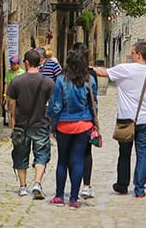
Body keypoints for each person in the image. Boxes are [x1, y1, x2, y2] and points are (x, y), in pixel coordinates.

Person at [91, 41, 146, 198]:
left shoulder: (125, 69)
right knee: (142, 154)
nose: (130, 55)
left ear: (139, 54)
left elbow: (102, 72)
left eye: (133, 52)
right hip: (145, 120)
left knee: (124, 153)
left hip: (125, 119)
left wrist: (86, 68)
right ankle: (140, 189)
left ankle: (122, 185)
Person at [46, 47, 96, 209]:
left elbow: (56, 105)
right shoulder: (89, 81)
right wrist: (94, 124)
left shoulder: (61, 81)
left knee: (62, 161)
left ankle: (59, 196)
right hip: (83, 124)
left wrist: (52, 125)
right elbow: (94, 104)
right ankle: (74, 198)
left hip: (64, 125)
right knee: (78, 160)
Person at [7, 48, 55, 199]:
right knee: (41, 154)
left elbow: (12, 103)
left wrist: (13, 119)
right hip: (41, 123)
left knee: (21, 154)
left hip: (22, 124)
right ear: (40, 62)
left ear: (26, 63)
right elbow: (53, 104)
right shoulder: (48, 82)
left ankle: (22, 186)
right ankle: (37, 182)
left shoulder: (17, 81)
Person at [71, 43, 97, 200]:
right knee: (86, 153)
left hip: (67, 121)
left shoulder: (65, 75)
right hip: (86, 119)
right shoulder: (90, 75)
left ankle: (73, 186)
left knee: (69, 155)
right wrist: (95, 122)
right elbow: (94, 101)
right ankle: (86, 186)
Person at [2, 54, 25, 125]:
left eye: (15, 64)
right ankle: (13, 127)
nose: (13, 66)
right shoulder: (9, 72)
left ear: (18, 64)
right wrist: (5, 94)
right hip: (12, 94)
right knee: (12, 111)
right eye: (12, 64)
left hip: (20, 94)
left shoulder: (22, 72)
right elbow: (6, 83)